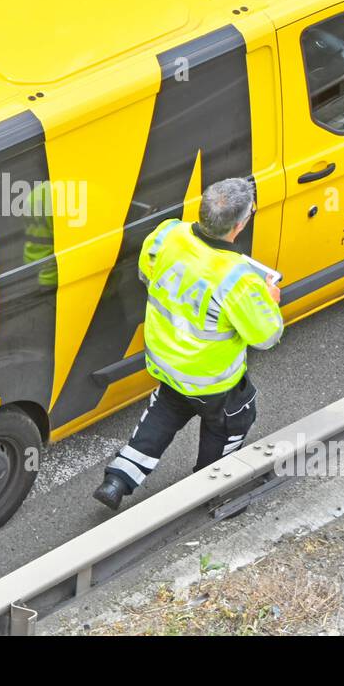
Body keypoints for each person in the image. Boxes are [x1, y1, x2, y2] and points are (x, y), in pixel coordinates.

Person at [94, 177, 283, 510]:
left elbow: (146, 272)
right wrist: (269, 299)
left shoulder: (167, 234)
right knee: (231, 422)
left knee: (164, 412)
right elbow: (266, 336)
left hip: (167, 363)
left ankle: (118, 480)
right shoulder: (238, 279)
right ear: (239, 226)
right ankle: (208, 487)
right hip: (213, 383)